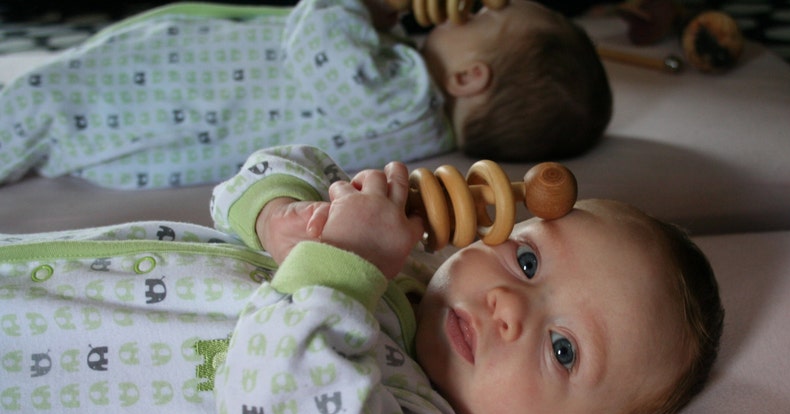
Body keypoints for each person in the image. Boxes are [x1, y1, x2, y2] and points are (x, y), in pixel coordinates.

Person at [0, 144, 721, 414]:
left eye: (562, 348)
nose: (508, 303)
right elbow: (260, 176)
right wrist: (280, 212)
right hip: (50, 286)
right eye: (527, 260)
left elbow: (283, 412)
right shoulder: (407, 249)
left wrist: (344, 268)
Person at [0, 0, 612, 189]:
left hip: (172, 91)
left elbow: (317, 35)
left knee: (44, 104)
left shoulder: (406, 92)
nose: (457, 13)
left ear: (469, 77)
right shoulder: (420, 130)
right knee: (59, 114)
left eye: (475, 17)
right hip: (172, 129)